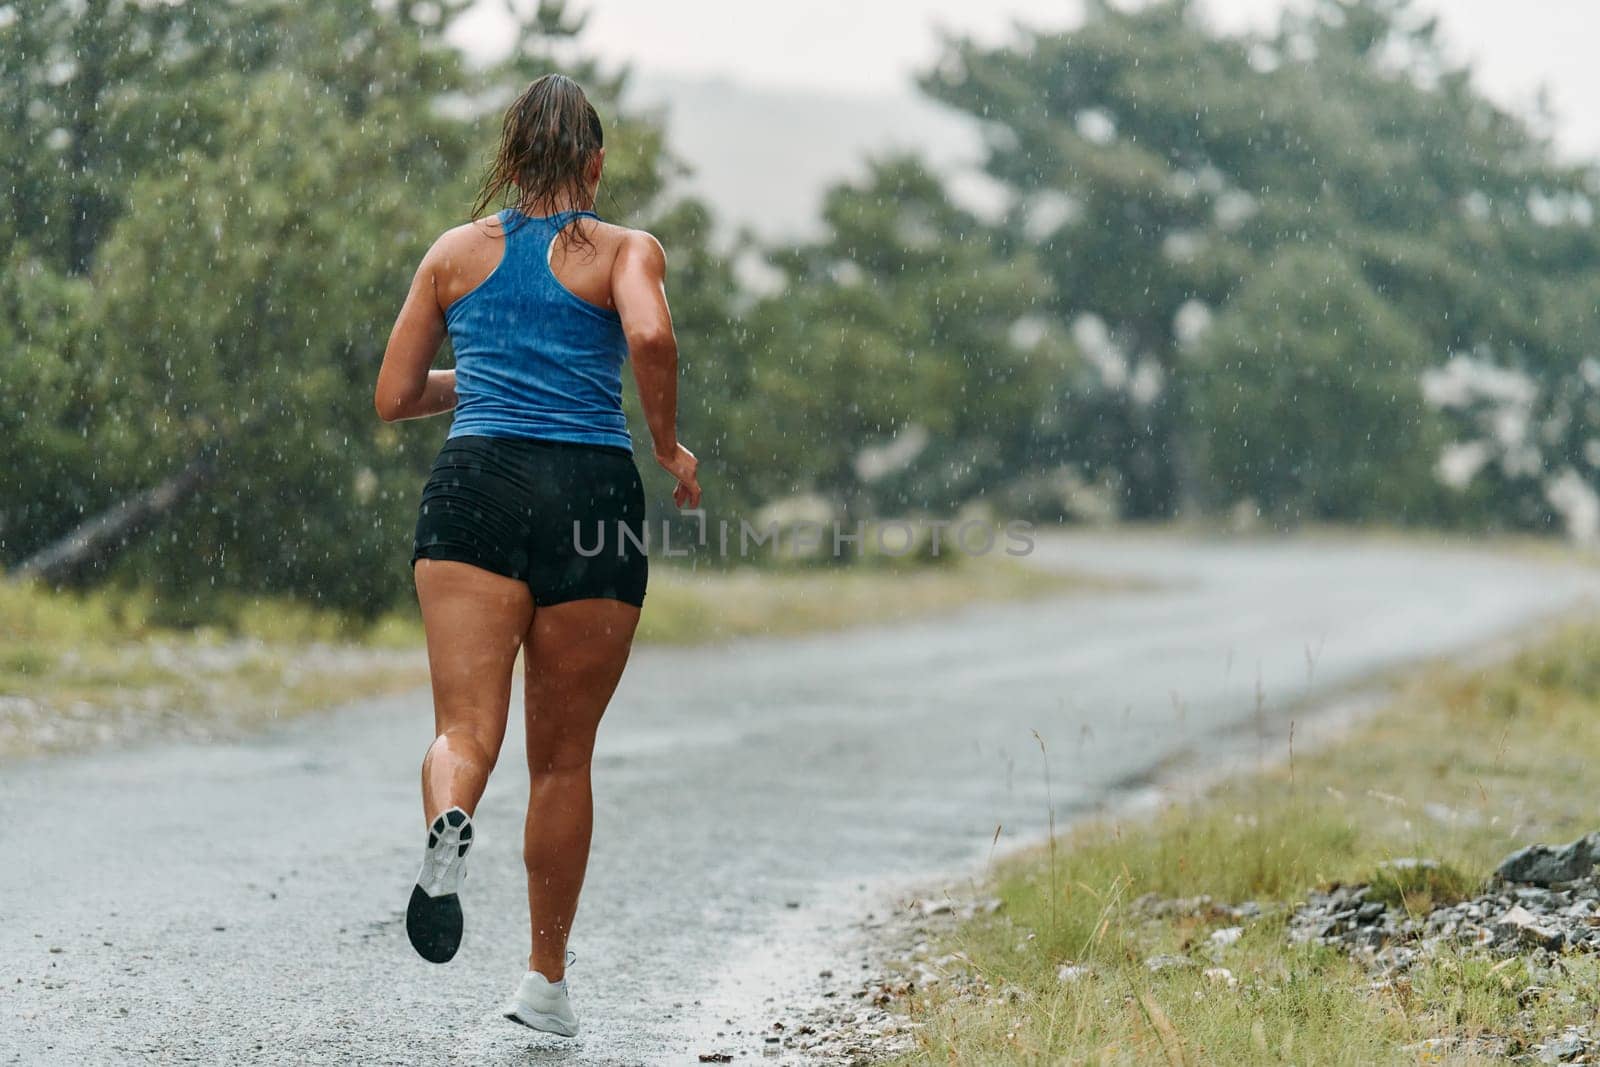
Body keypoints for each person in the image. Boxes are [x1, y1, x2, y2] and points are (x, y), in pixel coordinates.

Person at [373, 72, 701, 1036]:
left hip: (477, 485)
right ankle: (544, 985)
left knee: (466, 729)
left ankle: (448, 818)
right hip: (590, 499)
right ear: (595, 164)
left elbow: (394, 396)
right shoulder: (627, 248)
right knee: (562, 762)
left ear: (510, 162)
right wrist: (668, 442)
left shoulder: (453, 255)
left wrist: (480, 376)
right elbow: (649, 331)